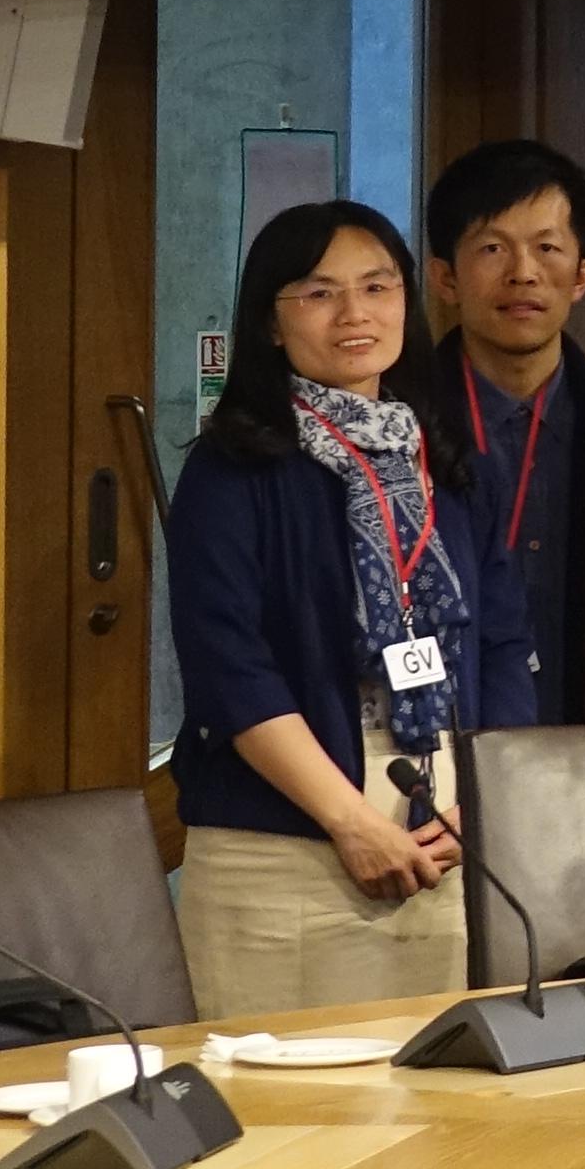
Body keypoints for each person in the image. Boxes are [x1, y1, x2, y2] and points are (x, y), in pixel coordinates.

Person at [165, 202, 478, 1011]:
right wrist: (351, 821)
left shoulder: (437, 453)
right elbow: (230, 669)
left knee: (440, 1116)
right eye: (318, 293)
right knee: (290, 1118)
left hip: (441, 829)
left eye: (377, 286)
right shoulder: (229, 469)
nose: (355, 314)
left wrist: (481, 803)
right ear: (270, 323)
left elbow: (504, 643)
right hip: (288, 845)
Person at [413, 137, 585, 733]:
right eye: (493, 248)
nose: (523, 273)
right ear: (446, 277)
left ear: (582, 276)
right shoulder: (397, 423)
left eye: (547, 248)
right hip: (438, 746)